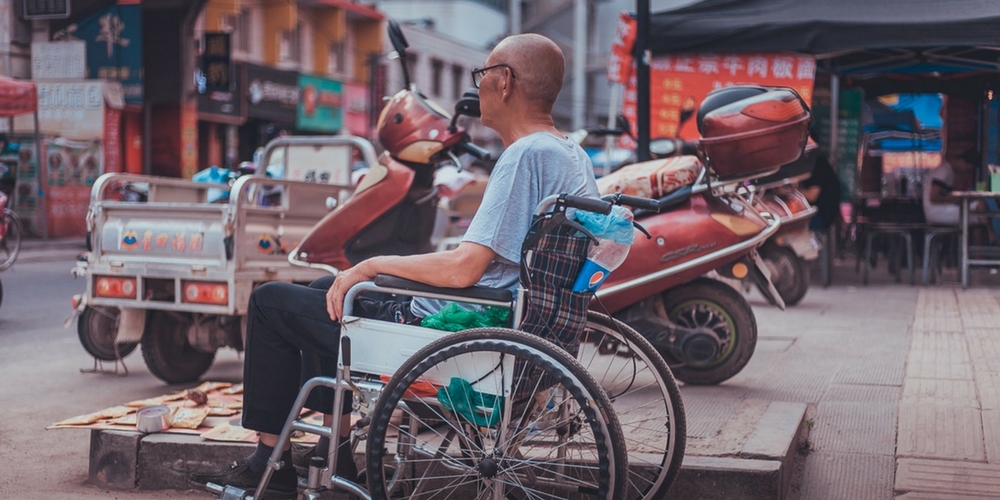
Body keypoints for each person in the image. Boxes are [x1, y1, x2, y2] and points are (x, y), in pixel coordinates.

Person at [188, 33, 600, 499]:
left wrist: (372, 265)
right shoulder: (571, 154)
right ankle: (334, 455)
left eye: (483, 74)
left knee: (268, 303)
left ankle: (269, 462)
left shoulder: (524, 156)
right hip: (511, 320)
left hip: (455, 327)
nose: (480, 84)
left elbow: (465, 269)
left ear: (504, 82)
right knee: (328, 288)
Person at [799, 149, 842, 233]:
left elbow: (811, 196)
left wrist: (790, 190)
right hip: (816, 214)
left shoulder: (818, 165)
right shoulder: (809, 164)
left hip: (820, 216)